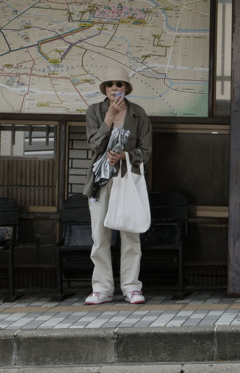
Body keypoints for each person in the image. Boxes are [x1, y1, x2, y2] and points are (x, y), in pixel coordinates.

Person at [83, 66, 152, 305]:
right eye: (110, 84)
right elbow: (94, 144)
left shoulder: (138, 113)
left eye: (119, 84)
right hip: (100, 183)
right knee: (100, 237)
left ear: (126, 88)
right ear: (104, 89)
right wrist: (109, 117)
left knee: (130, 235)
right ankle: (102, 288)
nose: (115, 88)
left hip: (127, 183)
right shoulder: (94, 111)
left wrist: (124, 156)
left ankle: (132, 286)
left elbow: (146, 150)